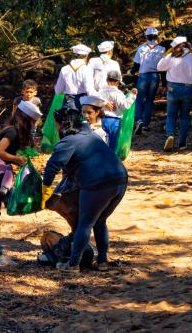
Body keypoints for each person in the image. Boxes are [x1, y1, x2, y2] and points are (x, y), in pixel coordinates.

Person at [41, 108, 129, 272]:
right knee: (100, 221)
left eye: (57, 124)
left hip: (98, 183)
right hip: (121, 180)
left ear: (63, 124)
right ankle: (102, 261)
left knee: (84, 224)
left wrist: (45, 188)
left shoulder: (68, 141)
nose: (56, 128)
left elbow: (52, 166)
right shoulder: (91, 135)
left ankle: (73, 265)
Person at [0, 100, 42, 266]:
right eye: (32, 122)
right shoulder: (12, 132)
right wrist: (17, 159)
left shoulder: (12, 130)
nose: (33, 125)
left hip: (0, 175)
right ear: (25, 119)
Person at [156, 36, 192, 152]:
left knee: (171, 115)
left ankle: (170, 135)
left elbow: (159, 67)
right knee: (185, 116)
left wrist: (167, 54)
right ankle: (182, 142)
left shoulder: (170, 58)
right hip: (189, 89)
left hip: (173, 89)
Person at [132, 28, 165, 135]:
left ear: (146, 37)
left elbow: (136, 65)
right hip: (155, 76)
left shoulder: (141, 48)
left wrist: (131, 73)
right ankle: (145, 125)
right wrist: (164, 83)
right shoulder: (161, 49)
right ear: (156, 36)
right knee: (150, 100)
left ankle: (138, 120)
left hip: (143, 76)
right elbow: (163, 68)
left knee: (139, 99)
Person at [100, 71, 137, 152]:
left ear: (107, 80)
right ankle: (111, 160)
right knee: (113, 142)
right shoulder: (118, 93)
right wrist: (132, 96)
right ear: (117, 82)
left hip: (101, 119)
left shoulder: (100, 92)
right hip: (114, 120)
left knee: (102, 141)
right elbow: (125, 105)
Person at [54, 44, 97, 111]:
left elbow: (58, 91)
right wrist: (103, 101)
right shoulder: (87, 69)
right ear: (86, 56)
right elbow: (90, 91)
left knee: (67, 120)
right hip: (82, 104)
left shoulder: (64, 69)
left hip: (67, 103)